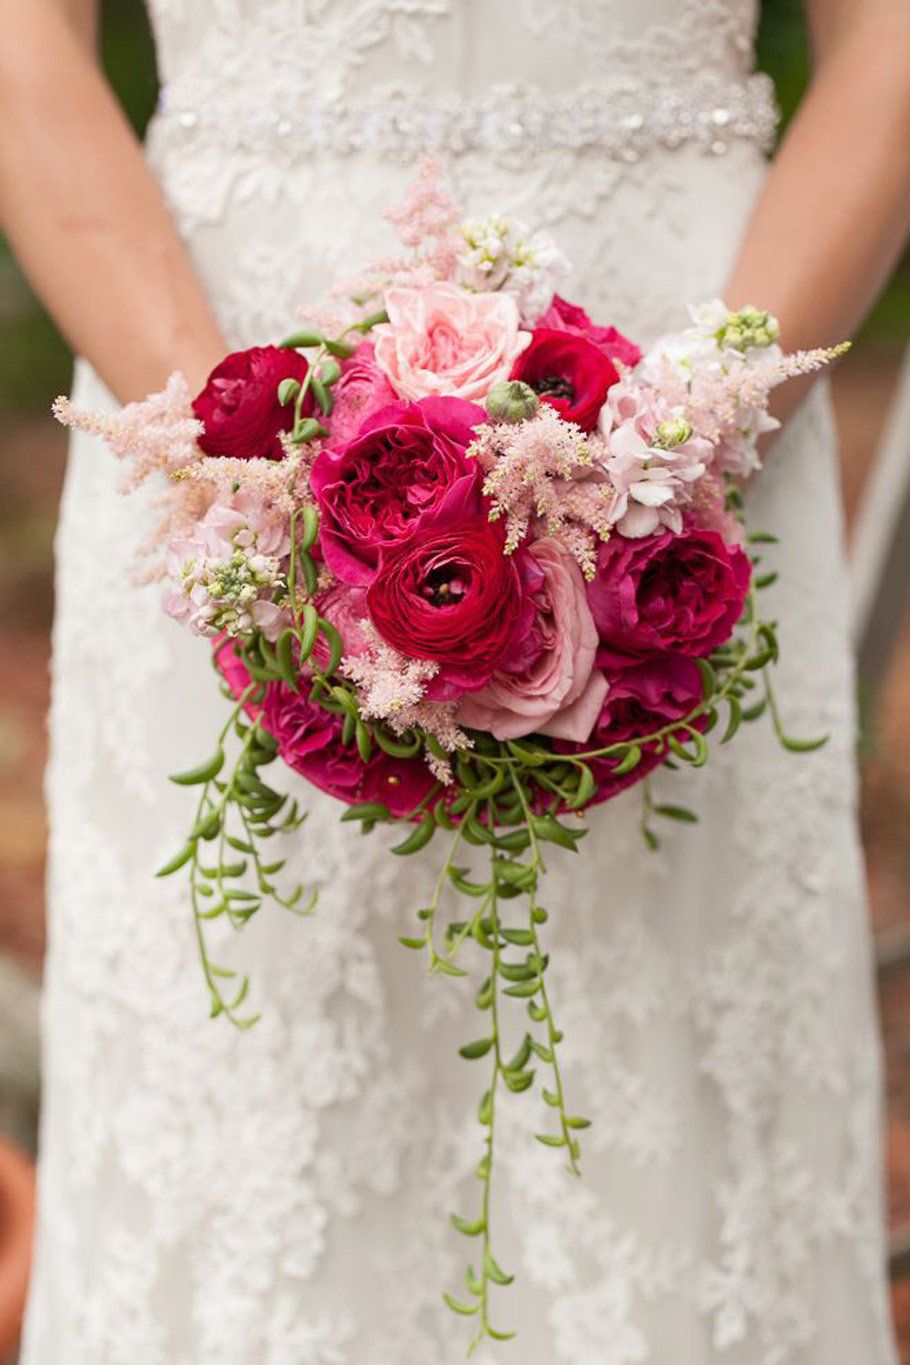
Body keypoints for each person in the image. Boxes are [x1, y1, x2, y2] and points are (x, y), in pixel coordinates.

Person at [2, 1, 908, 1360]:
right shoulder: (223, 462)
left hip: (696, 383)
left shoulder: (694, 437)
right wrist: (241, 479)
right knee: (260, 1106)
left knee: (660, 1095)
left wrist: (685, 438)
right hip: (205, 390)